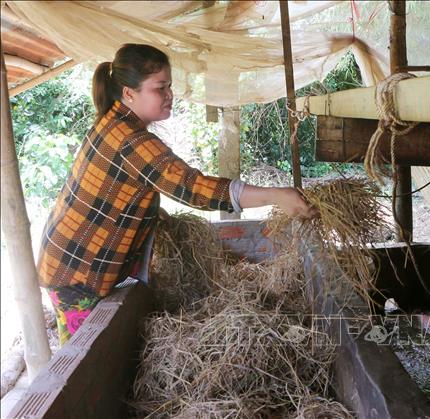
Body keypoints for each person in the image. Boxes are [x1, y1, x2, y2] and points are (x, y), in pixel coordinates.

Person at [37, 43, 316, 345]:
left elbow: (123, 191)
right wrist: (277, 196)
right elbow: (193, 189)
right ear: (129, 93)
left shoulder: (115, 124)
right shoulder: (130, 141)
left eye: (169, 86)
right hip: (77, 273)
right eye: (160, 88)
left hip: (70, 259)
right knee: (84, 360)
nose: (169, 95)